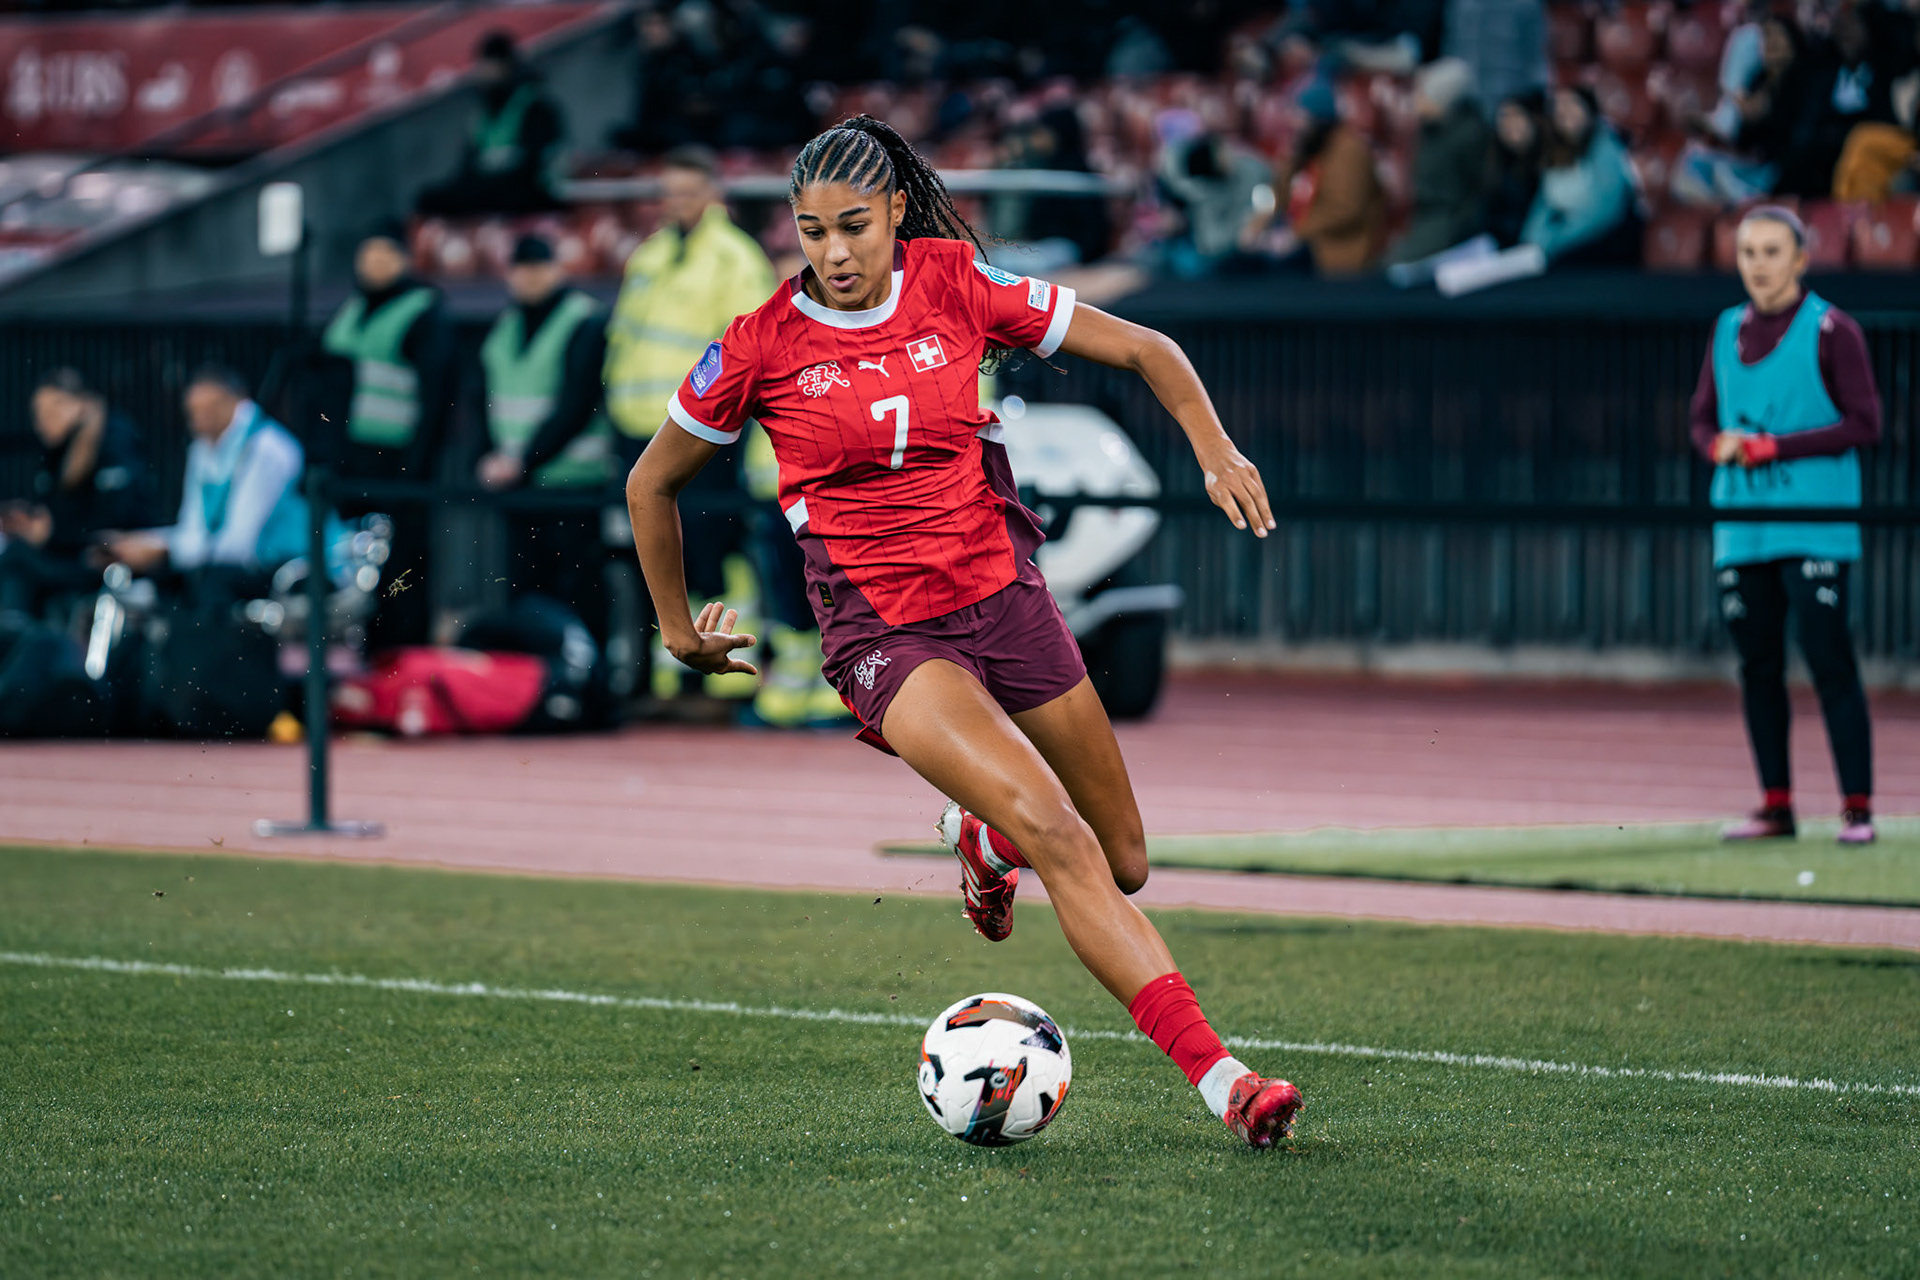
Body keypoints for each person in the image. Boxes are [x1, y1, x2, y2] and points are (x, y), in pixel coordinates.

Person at [625, 115, 1301, 1147]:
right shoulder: (760, 342)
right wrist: (679, 631)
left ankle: (983, 838)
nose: (835, 252)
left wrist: (1215, 453)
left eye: (854, 225)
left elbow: (1149, 348)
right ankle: (1228, 1080)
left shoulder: (957, 283)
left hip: (1006, 600)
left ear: (897, 210)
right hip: (884, 636)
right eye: (812, 231)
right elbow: (651, 481)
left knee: (1123, 856)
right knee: (1062, 834)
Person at [1687, 207, 1880, 846]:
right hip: (1742, 526)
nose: (1759, 265)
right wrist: (1715, 444)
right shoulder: (1722, 330)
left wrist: (1776, 448)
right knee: (1757, 667)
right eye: (1748, 253)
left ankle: (1857, 807)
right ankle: (1776, 803)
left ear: (1800, 259)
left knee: (1829, 660)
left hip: (1814, 524)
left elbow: (1865, 423)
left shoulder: (1833, 330)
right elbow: (1700, 419)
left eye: (1772, 252)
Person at [602, 144, 776, 701]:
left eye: (686, 190)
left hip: (704, 430)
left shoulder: (735, 258)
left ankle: (728, 653)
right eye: (668, 191)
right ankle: (672, 660)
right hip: (638, 424)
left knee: (711, 542)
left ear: (711, 192)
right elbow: (624, 340)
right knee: (655, 547)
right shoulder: (648, 256)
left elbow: (749, 350)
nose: (675, 201)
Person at [321, 221, 457, 648]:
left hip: (400, 464)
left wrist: (415, 467)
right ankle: (362, 652)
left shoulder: (422, 311)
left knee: (404, 563)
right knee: (352, 563)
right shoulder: (352, 309)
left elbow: (437, 397)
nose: (375, 266)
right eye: (368, 255)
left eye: (385, 256)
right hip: (353, 464)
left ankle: (403, 653)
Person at [476, 233, 616, 642]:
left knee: (579, 592)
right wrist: (491, 456)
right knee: (526, 593)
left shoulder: (583, 320)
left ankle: (587, 686)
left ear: (556, 269)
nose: (530, 278)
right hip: (521, 486)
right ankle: (536, 685)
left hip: (575, 483)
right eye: (522, 269)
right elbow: (487, 399)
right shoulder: (505, 327)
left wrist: (520, 459)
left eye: (538, 267)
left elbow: (577, 404)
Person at [102, 366, 307, 583]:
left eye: (210, 409)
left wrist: (163, 549)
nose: (199, 420)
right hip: (234, 570)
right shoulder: (201, 449)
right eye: (193, 412)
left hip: (290, 571)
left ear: (236, 402)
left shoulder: (267, 448)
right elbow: (193, 528)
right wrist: (142, 542)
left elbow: (239, 546)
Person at [0, 368, 156, 617]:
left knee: (16, 560)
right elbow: (57, 508)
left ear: (79, 403)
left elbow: (117, 516)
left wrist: (52, 532)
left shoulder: (114, 438)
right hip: (71, 553)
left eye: (53, 410)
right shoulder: (57, 450)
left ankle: (14, 637)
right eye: (38, 414)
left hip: (108, 559)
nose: (43, 421)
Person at [415, 31, 566, 216]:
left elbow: (537, 166)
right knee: (430, 198)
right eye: (482, 66)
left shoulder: (535, 108)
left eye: (491, 66)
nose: (484, 73)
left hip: (524, 191)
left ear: (507, 66)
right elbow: (468, 166)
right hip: (487, 190)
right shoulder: (481, 114)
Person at [1386, 57, 1491, 266]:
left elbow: (1477, 187)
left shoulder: (1469, 134)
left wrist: (1461, 227)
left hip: (1448, 220)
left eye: (1423, 94)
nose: (1416, 100)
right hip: (1422, 216)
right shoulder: (1429, 129)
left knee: (1398, 264)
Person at [1520, 85, 1639, 266]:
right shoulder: (1556, 152)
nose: (1564, 111)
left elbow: (1605, 210)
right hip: (1564, 249)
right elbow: (1545, 202)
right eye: (1557, 106)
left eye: (1571, 104)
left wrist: (1555, 240)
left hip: (1603, 250)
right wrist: (1532, 238)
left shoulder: (1606, 146)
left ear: (1588, 109)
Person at [1284, 79, 1388, 275]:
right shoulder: (1313, 148)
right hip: (1312, 245)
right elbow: (1284, 191)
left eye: (1300, 117)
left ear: (1318, 120)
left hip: (1343, 253)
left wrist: (1296, 233)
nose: (1294, 124)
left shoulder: (1349, 151)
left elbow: (1344, 209)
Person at [1484, 89, 1545, 248]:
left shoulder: (1549, 160)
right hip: (1504, 247)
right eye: (1504, 118)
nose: (1510, 124)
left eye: (1516, 116)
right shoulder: (1498, 164)